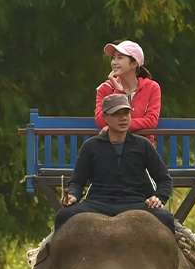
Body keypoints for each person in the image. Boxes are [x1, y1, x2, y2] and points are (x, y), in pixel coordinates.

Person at [56, 93, 176, 232]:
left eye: (126, 113)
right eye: (116, 114)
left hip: (136, 202)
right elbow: (77, 181)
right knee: (63, 216)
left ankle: (183, 253)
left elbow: (164, 179)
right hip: (98, 202)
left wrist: (158, 197)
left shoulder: (143, 145)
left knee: (166, 218)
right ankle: (47, 253)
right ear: (105, 117)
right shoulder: (91, 146)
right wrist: (73, 195)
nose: (123, 118)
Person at [94, 39, 162, 136]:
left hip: (142, 147)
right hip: (112, 145)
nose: (114, 62)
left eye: (120, 58)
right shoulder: (104, 89)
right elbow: (100, 121)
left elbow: (151, 121)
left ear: (134, 64)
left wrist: (114, 125)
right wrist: (118, 91)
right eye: (113, 58)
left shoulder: (152, 87)